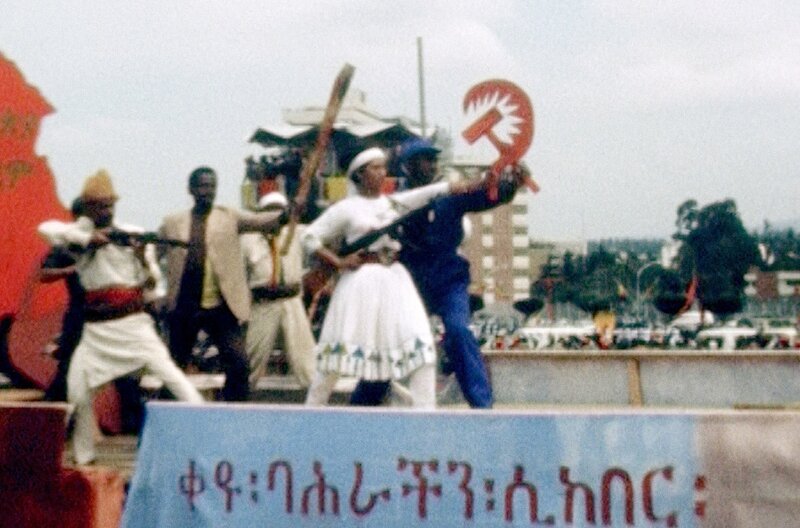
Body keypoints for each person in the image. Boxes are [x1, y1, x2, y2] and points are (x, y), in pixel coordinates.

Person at [37, 169, 204, 465]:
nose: (107, 210)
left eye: (110, 205)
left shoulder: (131, 233)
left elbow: (152, 285)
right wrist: (89, 239)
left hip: (134, 326)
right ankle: (85, 457)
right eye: (100, 205)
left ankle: (208, 432)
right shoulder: (78, 238)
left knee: (175, 379)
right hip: (96, 332)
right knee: (78, 392)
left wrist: (140, 257)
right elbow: (46, 228)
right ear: (87, 208)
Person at [302, 146, 489, 408]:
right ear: (359, 175)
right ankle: (312, 411)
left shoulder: (395, 203)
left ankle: (426, 415)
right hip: (360, 283)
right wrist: (338, 261)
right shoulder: (346, 208)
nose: (382, 172)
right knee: (339, 351)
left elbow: (429, 192)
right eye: (375, 168)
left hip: (394, 281)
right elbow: (309, 237)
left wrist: (466, 185)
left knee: (420, 348)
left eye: (383, 167)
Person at [350, 138, 526, 408]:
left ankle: (482, 406)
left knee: (458, 331)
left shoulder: (450, 194)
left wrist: (509, 186)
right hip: (411, 277)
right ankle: (362, 405)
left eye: (433, 158)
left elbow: (484, 196)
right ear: (409, 166)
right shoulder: (395, 200)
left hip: (447, 277)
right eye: (425, 159)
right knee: (392, 339)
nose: (432, 164)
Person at [159, 166, 286, 401]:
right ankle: (165, 412)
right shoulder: (172, 222)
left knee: (238, 364)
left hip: (221, 306)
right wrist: (156, 290)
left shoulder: (230, 216)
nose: (207, 191)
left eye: (211, 186)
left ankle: (232, 411)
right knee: (173, 366)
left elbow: (263, 221)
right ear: (191, 189)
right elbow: (154, 256)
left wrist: (290, 214)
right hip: (185, 305)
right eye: (202, 186)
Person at [240, 191, 316, 389]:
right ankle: (240, 399)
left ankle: (317, 405)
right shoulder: (248, 240)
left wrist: (301, 207)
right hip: (263, 303)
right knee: (251, 359)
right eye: (269, 212)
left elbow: (322, 232)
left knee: (306, 361)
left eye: (279, 211)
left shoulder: (297, 233)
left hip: (292, 301)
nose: (274, 216)